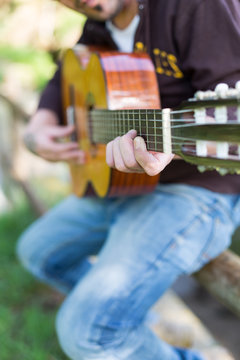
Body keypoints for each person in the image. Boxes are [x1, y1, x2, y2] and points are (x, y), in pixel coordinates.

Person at [17, 0, 240, 359]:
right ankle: (142, 326)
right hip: (118, 182)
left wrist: (171, 144)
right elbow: (63, 79)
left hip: (197, 189)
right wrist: (37, 127)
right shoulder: (99, 23)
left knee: (86, 334)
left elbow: (232, 101)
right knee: (39, 253)